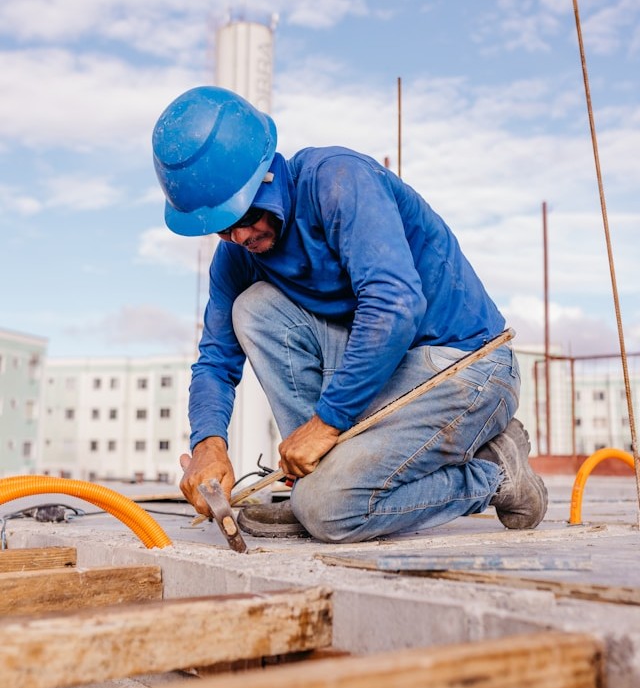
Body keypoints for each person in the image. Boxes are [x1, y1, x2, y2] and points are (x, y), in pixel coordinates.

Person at [152, 85, 548, 543]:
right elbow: (215, 359)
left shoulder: (337, 181)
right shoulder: (239, 254)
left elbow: (393, 305)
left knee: (330, 511)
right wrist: (207, 444)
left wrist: (326, 425)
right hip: (391, 369)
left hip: (465, 366)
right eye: (222, 229)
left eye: (242, 217)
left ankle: (496, 474)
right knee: (253, 309)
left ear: (265, 176)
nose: (238, 237)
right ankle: (315, 481)